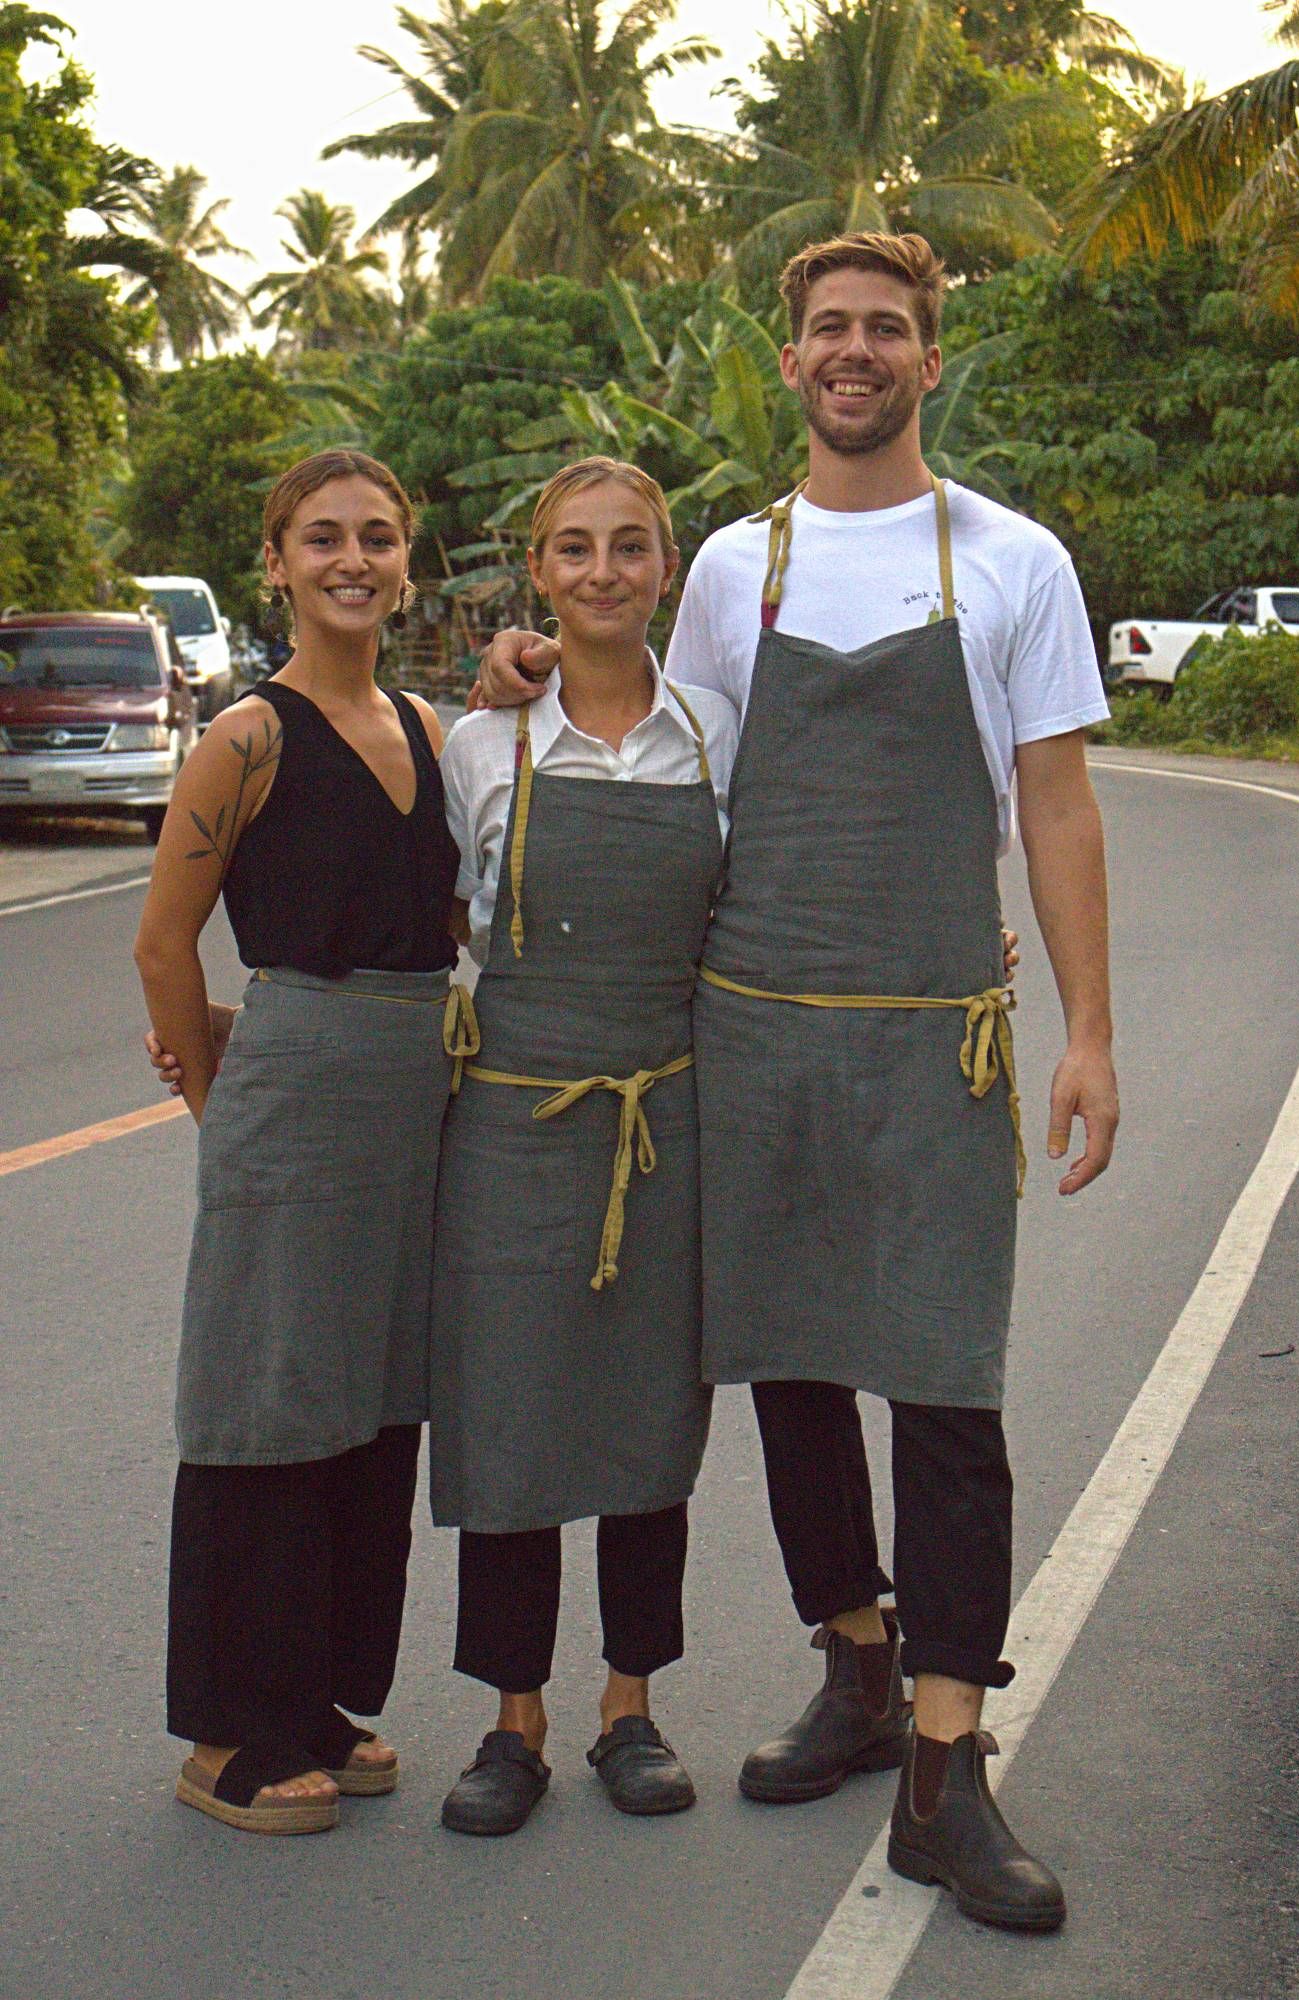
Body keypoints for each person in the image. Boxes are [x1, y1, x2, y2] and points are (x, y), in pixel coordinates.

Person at [475, 231, 1117, 1928]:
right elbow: (671, 757)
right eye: (827, 329)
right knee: (787, 1371)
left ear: (923, 357)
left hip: (934, 1039)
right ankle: (852, 1660)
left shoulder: (1009, 561)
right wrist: (524, 676)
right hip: (748, 1025)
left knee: (946, 1388)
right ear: (790, 361)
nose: (855, 352)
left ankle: (944, 1766)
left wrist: (1090, 1032)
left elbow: (1053, 803)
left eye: (884, 329)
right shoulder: (729, 572)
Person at [135, 449, 459, 1834]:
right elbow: (163, 944)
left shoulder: (433, 732)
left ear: (405, 557)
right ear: (274, 561)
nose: (352, 559)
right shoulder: (246, 740)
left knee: (372, 1403)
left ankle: (318, 1696)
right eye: (320, 537)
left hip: (415, 1094)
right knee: (264, 1399)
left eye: (376, 536)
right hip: (295, 1085)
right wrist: (226, 1094)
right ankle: (230, 1733)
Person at [430, 458, 740, 1837]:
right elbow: (435, 931)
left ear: (663, 569)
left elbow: (766, 919)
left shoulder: (716, 732)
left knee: (645, 1421)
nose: (603, 571)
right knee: (506, 1419)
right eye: (575, 550)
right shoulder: (478, 745)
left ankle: (629, 1704)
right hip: (507, 1121)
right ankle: (511, 1723)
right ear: (538, 575)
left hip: (662, 1121)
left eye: (629, 547)